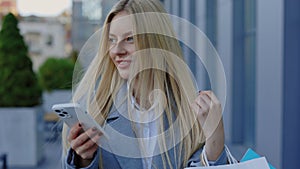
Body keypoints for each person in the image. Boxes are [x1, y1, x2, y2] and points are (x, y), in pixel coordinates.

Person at [62, 0, 233, 168]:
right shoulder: (95, 110)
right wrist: (84, 159)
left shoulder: (191, 112)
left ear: (156, 43)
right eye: (112, 40)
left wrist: (214, 142)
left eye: (129, 39)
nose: (116, 50)